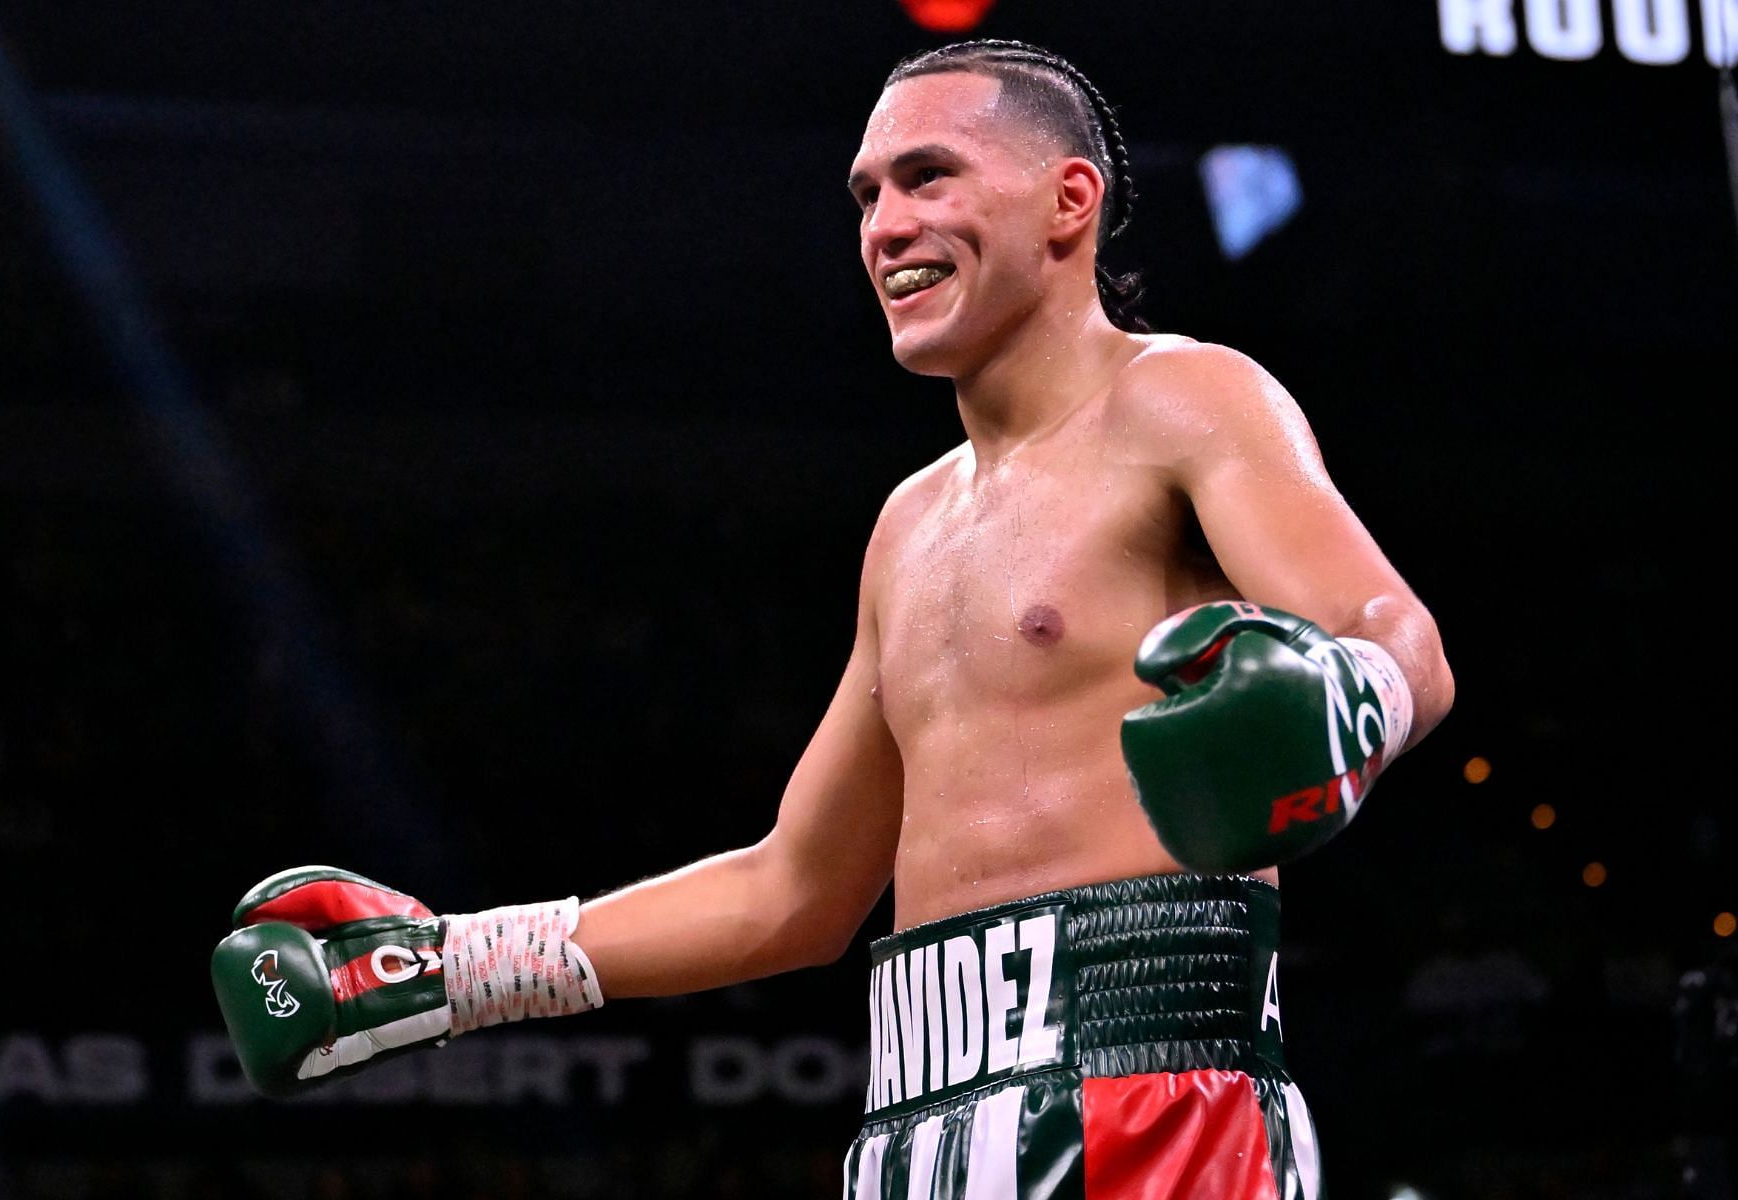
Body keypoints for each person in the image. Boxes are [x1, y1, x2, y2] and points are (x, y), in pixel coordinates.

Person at [210, 38, 1453, 1200]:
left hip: (1149, 1096)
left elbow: (1397, 635)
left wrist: (1346, 699)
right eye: (866, 196)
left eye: (928, 178)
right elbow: (793, 892)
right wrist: (451, 968)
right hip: (916, 1123)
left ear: (1069, 202)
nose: (886, 228)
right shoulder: (912, 525)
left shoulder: (1183, 398)